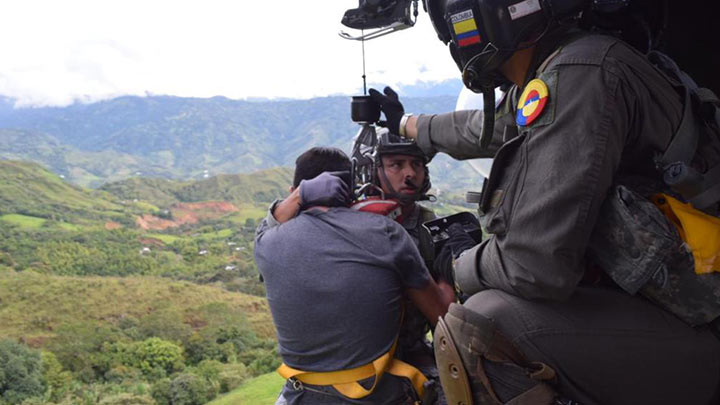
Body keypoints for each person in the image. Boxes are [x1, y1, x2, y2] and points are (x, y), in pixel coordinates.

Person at [367, 0, 720, 404]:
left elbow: (534, 267)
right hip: (680, 309)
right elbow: (488, 128)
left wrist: (454, 262)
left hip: (701, 326)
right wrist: (405, 123)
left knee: (482, 321)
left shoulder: (579, 74)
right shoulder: (573, 63)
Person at [254, 146, 454, 404]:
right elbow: (441, 314)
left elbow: (269, 224)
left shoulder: (266, 244)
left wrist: (298, 197)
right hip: (379, 394)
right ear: (351, 191)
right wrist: (448, 266)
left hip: (302, 395)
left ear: (295, 193)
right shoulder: (386, 233)